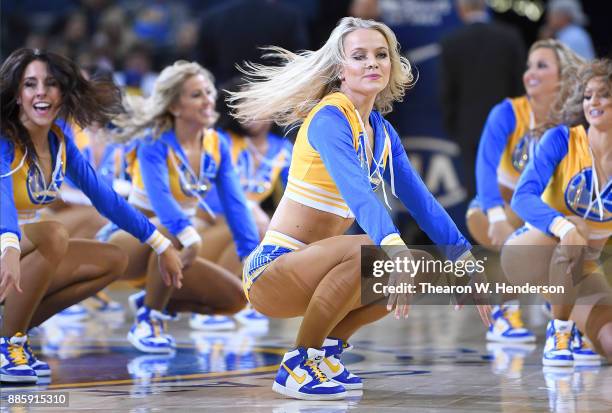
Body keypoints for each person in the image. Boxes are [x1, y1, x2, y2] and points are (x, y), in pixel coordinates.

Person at [230, 17, 491, 400]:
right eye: (360, 56)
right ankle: (298, 364)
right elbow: (358, 194)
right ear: (341, 69)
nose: (372, 63)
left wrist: (466, 263)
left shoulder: (382, 132)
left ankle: (330, 351)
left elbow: (423, 203)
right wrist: (393, 249)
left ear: (392, 65)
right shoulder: (328, 118)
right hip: (271, 271)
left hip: (320, 273)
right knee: (375, 250)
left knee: (418, 264)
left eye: (381, 55)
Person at [0, 48, 183, 383]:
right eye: (30, 84)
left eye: (51, 83)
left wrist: (160, 244)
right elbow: (2, 201)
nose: (41, 91)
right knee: (53, 233)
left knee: (113, 259)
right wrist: (8, 246)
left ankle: (13, 335)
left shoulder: (60, 143)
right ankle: (7, 345)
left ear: (63, 93)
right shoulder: (4, 139)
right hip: (6, 246)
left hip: (16, 251)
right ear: (15, 94)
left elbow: (106, 200)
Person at [108, 61, 259, 352]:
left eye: (209, 92)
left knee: (235, 300)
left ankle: (152, 298)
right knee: (172, 230)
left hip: (175, 248)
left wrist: (253, 259)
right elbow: (162, 200)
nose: (208, 100)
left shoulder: (217, 144)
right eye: (196, 95)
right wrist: (189, 235)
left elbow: (236, 205)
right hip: (132, 241)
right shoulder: (153, 142)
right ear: (175, 107)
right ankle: (149, 319)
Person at [467, 40, 584, 343]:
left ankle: (558, 302)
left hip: (544, 209)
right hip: (498, 205)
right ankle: (505, 311)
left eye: (541, 66)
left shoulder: (572, 122)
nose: (530, 73)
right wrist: (495, 216)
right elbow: (484, 168)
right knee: (513, 231)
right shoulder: (508, 112)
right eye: (529, 66)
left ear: (564, 77)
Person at [502, 59, 612, 366]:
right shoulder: (563, 139)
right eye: (589, 95)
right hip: (530, 250)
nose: (594, 102)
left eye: (604, 94)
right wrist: (563, 227)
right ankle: (559, 332)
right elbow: (522, 197)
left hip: (583, 269)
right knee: (577, 227)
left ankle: (576, 328)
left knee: (609, 341)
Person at [197, 81, 292, 329]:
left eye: (256, 105)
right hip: (206, 222)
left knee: (275, 233)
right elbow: (207, 193)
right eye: (242, 106)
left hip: (249, 225)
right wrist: (249, 207)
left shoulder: (283, 149)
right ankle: (214, 304)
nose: (249, 113)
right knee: (253, 226)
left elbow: (297, 193)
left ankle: (242, 298)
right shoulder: (218, 140)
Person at [439, 0, 526, 199]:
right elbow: (520, 87)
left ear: (461, 10)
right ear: (485, 6)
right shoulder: (509, 37)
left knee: (476, 190)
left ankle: (480, 229)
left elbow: (447, 92)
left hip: (468, 129)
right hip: (507, 127)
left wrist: (453, 128)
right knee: (507, 187)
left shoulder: (451, 41)